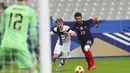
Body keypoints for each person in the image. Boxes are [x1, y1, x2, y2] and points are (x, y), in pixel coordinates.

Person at [0, 0, 38, 73]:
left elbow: (1, 31)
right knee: (31, 69)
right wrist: (35, 46)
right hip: (20, 46)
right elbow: (33, 33)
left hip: (5, 44)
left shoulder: (8, 10)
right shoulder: (30, 12)